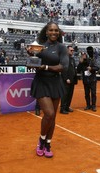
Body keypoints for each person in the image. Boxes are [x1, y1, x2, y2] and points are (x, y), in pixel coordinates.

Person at [27, 22, 69, 158]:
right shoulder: (39, 46)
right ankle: (41, 140)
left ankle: (47, 144)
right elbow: (31, 63)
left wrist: (45, 67)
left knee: (53, 117)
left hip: (56, 83)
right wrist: (30, 55)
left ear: (59, 32)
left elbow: (63, 66)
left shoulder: (62, 47)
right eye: (51, 30)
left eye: (56, 30)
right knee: (49, 113)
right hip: (41, 82)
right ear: (46, 32)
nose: (54, 32)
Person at [77, 46, 100, 112]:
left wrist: (91, 68)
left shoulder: (93, 60)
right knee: (86, 94)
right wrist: (80, 62)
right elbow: (78, 70)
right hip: (86, 80)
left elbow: (97, 68)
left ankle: (93, 106)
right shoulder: (82, 62)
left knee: (93, 93)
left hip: (92, 80)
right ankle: (88, 105)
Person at [60, 45, 78, 114]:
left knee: (70, 94)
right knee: (65, 94)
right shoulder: (64, 59)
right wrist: (66, 78)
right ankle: (62, 108)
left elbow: (74, 69)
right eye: (71, 50)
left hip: (72, 80)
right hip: (66, 80)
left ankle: (67, 107)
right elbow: (63, 70)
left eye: (73, 50)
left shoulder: (72, 59)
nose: (72, 51)